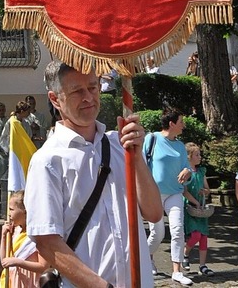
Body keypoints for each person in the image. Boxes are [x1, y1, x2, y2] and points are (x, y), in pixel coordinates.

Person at [25, 60, 162, 287]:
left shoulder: (120, 145)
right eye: (77, 91)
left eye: (92, 87)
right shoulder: (48, 160)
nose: (88, 97)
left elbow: (154, 213)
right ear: (54, 99)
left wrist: (137, 159)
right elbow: (47, 242)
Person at [145, 107, 193, 285]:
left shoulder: (180, 145)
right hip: (154, 194)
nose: (184, 125)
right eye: (181, 122)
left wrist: (187, 171)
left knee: (178, 230)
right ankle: (147, 256)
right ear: (171, 124)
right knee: (158, 233)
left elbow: (187, 168)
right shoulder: (152, 139)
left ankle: (177, 271)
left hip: (174, 193)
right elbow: (140, 164)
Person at [0, 190, 48, 288]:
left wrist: (18, 262)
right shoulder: (15, 231)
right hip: (12, 281)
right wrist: (3, 236)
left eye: (11, 209)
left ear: (25, 211)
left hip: (29, 283)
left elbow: (43, 266)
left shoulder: (38, 235)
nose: (9, 214)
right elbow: (4, 261)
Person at [181, 142, 215, 276]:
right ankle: (185, 253)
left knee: (203, 237)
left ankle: (202, 265)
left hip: (200, 208)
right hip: (191, 207)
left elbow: (208, 189)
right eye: (197, 154)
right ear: (189, 157)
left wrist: (205, 192)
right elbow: (184, 191)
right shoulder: (185, 172)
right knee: (195, 235)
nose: (200, 157)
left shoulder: (201, 171)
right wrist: (195, 202)